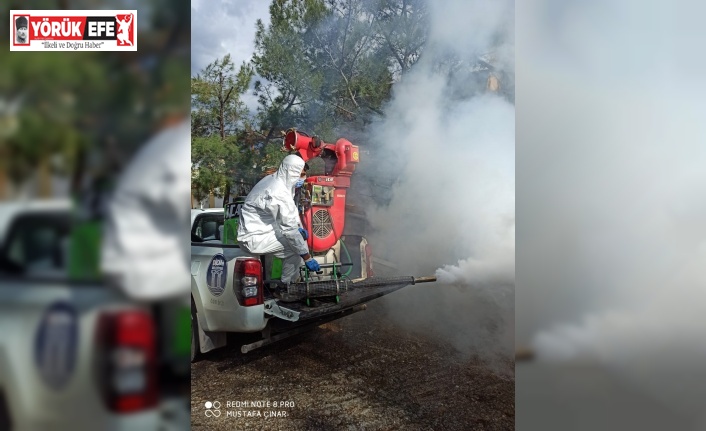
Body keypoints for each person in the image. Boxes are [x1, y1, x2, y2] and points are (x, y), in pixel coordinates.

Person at [237, 155, 320, 285]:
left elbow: (280, 215)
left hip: (259, 230)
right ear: (291, 172)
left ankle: (286, 284)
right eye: (301, 174)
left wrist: (297, 229)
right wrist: (308, 258)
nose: (302, 178)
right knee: (296, 249)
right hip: (255, 237)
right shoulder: (278, 191)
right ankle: (287, 286)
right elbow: (290, 231)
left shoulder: (272, 181)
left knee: (296, 243)